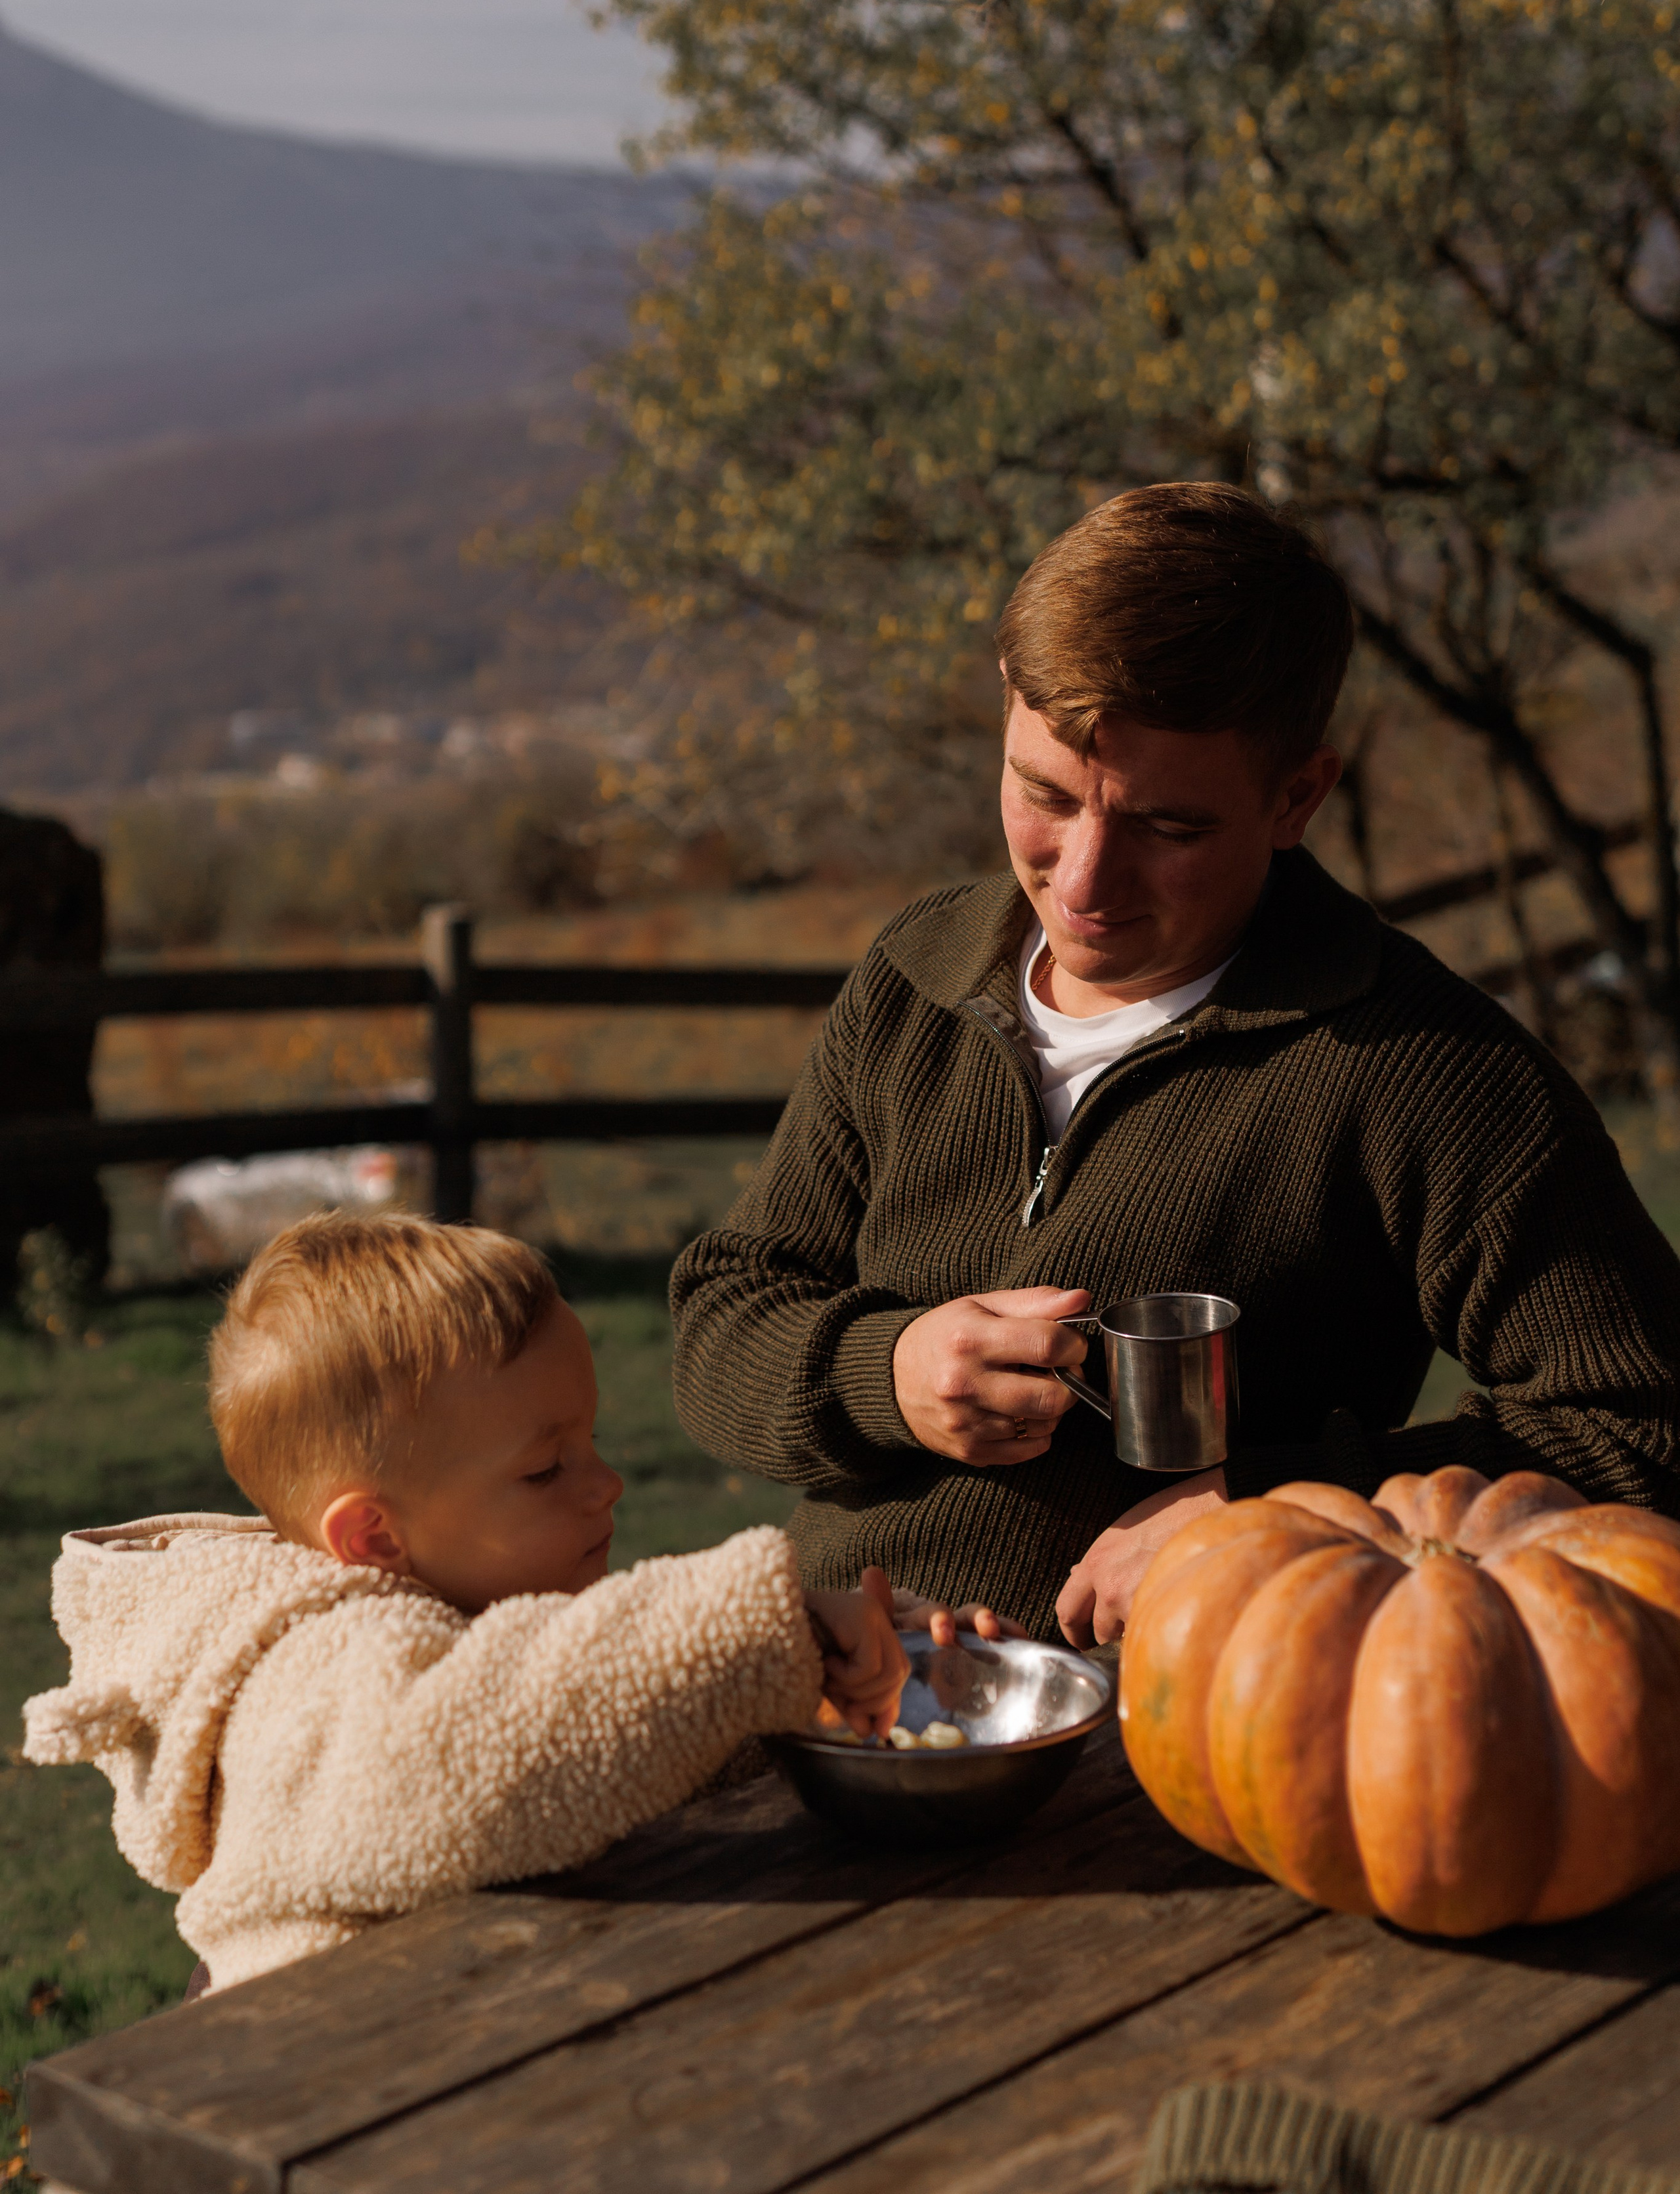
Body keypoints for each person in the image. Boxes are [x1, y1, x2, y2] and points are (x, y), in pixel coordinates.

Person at [670, 482, 1680, 1647]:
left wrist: (1270, 1511)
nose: (1084, 881)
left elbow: (1640, 1428)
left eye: (1169, 828)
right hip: (826, 1685)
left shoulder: (1434, 1073)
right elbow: (722, 1318)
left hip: (1183, 1723)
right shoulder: (916, 975)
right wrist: (885, 1371)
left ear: (1298, 795)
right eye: (1045, 794)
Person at [22, 1213, 993, 1994]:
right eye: (543, 1470)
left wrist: (827, 1678)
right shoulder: (311, 1678)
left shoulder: (464, 1607)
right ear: (374, 1537)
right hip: (305, 2102)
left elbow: (595, 1743)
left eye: (590, 1443)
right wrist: (769, 1628)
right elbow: (467, 1757)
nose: (606, 1486)